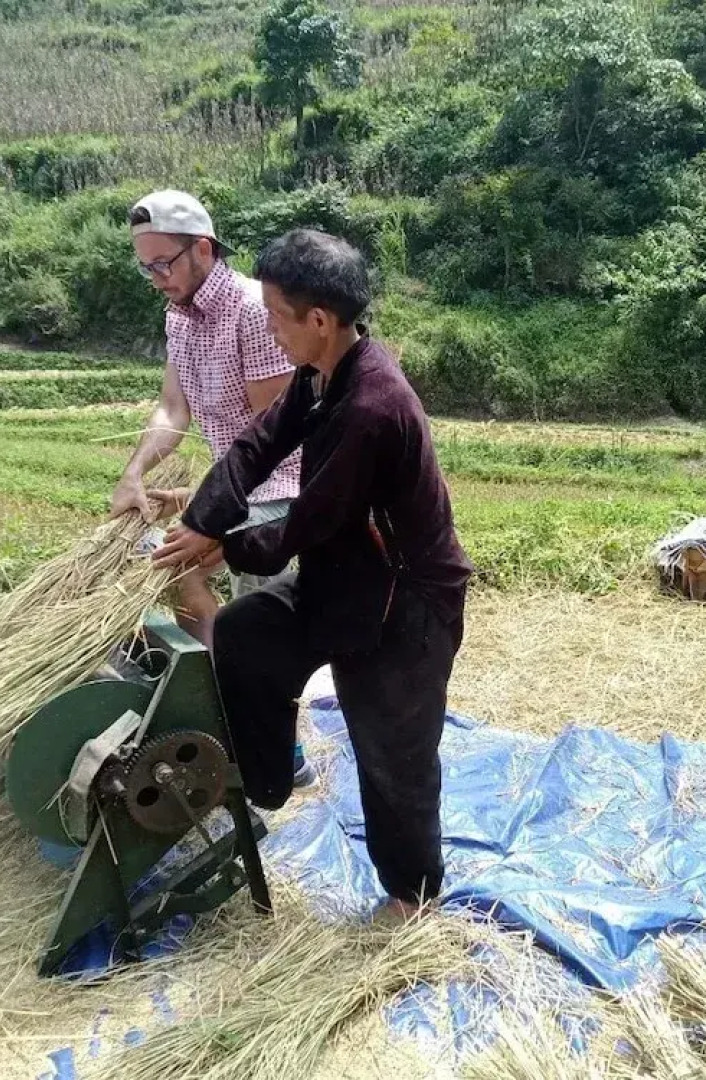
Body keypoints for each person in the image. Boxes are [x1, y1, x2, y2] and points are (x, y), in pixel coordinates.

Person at [152, 229, 473, 917]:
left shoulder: (371, 408)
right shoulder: (323, 375)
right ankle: (265, 778)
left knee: (391, 751)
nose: (268, 327)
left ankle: (413, 897)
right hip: (347, 571)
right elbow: (259, 443)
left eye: (273, 315)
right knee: (246, 632)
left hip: (405, 601)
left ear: (319, 321)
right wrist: (204, 520)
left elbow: (306, 523)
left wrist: (223, 551)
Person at [115, 189, 314, 786]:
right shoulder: (178, 316)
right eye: (144, 266)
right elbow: (173, 410)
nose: (155, 279)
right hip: (233, 482)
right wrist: (135, 473)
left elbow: (272, 438)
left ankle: (284, 757)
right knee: (176, 567)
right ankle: (223, 705)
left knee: (259, 623)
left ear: (202, 248)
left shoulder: (254, 310)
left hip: (277, 488)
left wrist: (207, 508)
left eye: (163, 264)